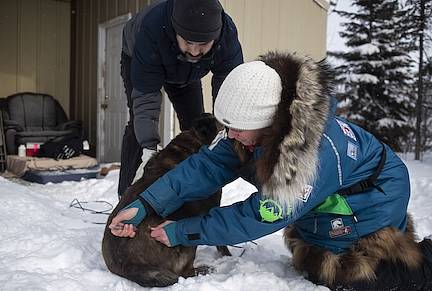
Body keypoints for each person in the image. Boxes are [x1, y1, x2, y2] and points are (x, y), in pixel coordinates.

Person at [109, 52, 432, 290]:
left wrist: (181, 231)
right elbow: (206, 166)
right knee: (310, 253)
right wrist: (146, 204)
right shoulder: (249, 130)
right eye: (228, 127)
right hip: (331, 197)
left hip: (372, 198)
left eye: (238, 129)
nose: (229, 135)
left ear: (270, 122)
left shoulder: (305, 153)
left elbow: (261, 215)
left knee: (349, 275)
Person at [118, 0, 243, 197]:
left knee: (197, 126)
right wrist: (148, 149)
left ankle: (191, 196)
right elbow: (146, 99)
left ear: (216, 37)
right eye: (188, 42)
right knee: (139, 126)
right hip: (140, 56)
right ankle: (127, 194)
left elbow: (228, 88)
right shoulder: (152, 29)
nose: (194, 51)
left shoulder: (227, 37)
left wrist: (224, 128)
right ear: (175, 31)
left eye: (202, 44)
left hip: (187, 72)